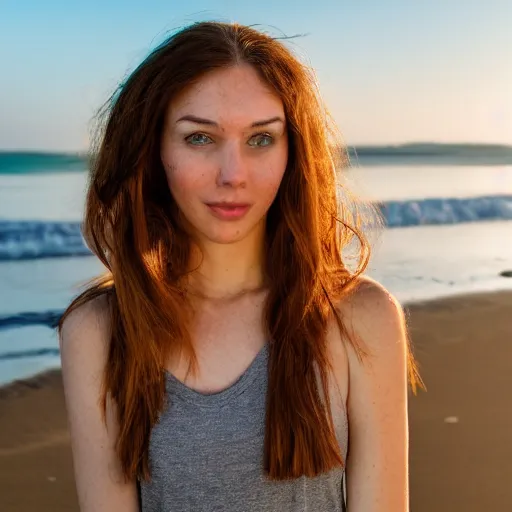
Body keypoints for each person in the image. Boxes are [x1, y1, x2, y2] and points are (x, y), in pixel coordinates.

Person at [58, 21, 422, 512]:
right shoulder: (98, 332)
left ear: (292, 153)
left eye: (260, 140)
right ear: (153, 150)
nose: (233, 175)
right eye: (200, 139)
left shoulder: (359, 318)